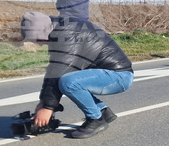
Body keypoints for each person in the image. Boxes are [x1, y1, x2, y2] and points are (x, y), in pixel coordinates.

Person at [21, 11, 134, 139]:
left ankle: (96, 119)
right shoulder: (59, 30)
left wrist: (47, 107)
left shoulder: (67, 34)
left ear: (42, 32)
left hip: (118, 76)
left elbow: (60, 70)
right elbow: (54, 70)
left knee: (69, 83)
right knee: (68, 81)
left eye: (36, 39)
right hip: (109, 74)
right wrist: (44, 103)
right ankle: (103, 111)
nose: (37, 43)